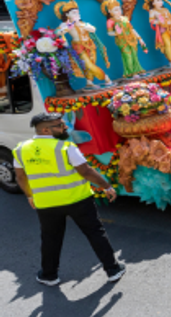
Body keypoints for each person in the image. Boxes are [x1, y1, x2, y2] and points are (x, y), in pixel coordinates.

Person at [13, 112, 125, 286]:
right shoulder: (65, 147)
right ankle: (113, 270)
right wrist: (106, 186)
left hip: (46, 203)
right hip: (78, 200)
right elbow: (86, 171)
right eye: (59, 125)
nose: (65, 127)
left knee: (50, 239)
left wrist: (29, 195)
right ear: (45, 130)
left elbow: (20, 177)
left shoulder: (20, 149)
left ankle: (49, 276)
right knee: (95, 233)